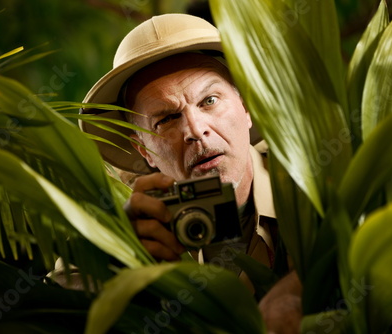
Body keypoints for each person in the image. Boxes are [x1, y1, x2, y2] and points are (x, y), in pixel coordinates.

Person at [79, 13, 302, 333]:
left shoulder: (315, 185)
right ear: (143, 149)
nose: (195, 130)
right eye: (167, 119)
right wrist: (116, 265)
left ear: (247, 107)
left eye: (209, 101)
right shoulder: (129, 227)